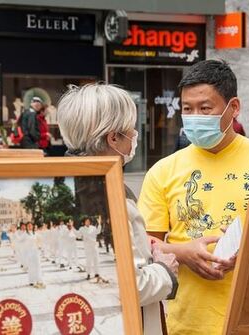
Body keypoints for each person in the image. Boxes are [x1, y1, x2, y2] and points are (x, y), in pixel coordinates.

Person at [138, 59, 249, 335]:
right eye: (187, 109)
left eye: (205, 108)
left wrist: (247, 253)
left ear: (233, 108)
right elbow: (143, 247)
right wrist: (184, 253)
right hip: (188, 324)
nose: (195, 116)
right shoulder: (162, 172)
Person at [57, 83, 178, 335]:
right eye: (130, 130)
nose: (135, 134)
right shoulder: (110, 192)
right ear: (113, 138)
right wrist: (165, 270)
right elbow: (133, 285)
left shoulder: (63, 183)